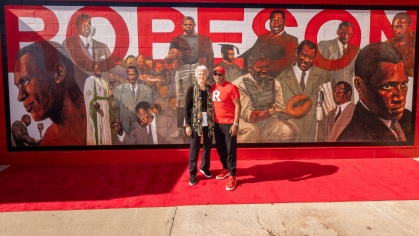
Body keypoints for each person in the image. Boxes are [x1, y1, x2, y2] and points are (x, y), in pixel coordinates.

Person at [14, 41, 87, 146]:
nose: (20, 96)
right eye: (18, 87)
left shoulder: (102, 114)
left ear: (59, 73)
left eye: (25, 81)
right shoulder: (47, 144)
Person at [337, 42, 411, 142]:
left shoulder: (408, 118)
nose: (400, 97)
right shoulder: (353, 138)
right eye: (387, 86)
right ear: (359, 85)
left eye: (403, 85)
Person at [165, 16, 214, 140]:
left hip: (199, 67)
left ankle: (204, 125)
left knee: (202, 95)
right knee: (181, 98)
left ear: (194, 24)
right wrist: (172, 57)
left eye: (190, 24)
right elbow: (169, 56)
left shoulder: (204, 39)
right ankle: (180, 128)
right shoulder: (176, 40)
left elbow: (210, 56)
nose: (188, 26)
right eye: (186, 25)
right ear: (182, 26)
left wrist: (208, 74)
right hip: (183, 68)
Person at [232, 53, 298, 143]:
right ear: (250, 68)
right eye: (260, 67)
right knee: (251, 130)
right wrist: (271, 112)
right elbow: (249, 116)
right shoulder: (238, 85)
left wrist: (291, 112)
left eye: (266, 67)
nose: (264, 70)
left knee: (290, 129)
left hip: (264, 120)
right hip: (240, 121)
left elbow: (279, 109)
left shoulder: (274, 83)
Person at [277, 40, 334, 142]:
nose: (306, 60)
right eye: (303, 55)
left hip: (315, 137)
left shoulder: (325, 76)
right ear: (296, 53)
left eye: (311, 57)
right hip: (290, 138)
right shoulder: (280, 79)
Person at [239, 10, 298, 78]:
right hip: (252, 72)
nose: (276, 24)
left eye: (279, 21)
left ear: (284, 22)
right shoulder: (263, 37)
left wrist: (261, 64)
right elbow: (250, 52)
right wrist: (233, 61)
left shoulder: (291, 40)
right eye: (273, 21)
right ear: (270, 23)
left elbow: (287, 63)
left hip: (270, 76)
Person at [211, 66, 241, 191]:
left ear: (224, 75)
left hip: (229, 124)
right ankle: (226, 168)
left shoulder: (231, 87)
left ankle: (233, 175)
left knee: (230, 150)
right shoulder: (212, 88)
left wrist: (235, 123)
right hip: (217, 124)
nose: (217, 76)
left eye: (220, 74)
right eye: (215, 74)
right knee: (220, 148)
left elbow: (238, 105)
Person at [62, 13, 112, 89]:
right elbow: (65, 66)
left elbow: (113, 65)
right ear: (77, 27)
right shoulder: (68, 44)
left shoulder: (102, 46)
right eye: (84, 25)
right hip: (79, 88)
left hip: (100, 88)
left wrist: (126, 73)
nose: (87, 28)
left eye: (89, 25)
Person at [185, 65, 214, 185]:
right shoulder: (191, 88)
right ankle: (192, 173)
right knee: (194, 147)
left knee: (207, 145)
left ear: (207, 76)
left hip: (209, 121)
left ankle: (205, 168)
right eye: (200, 74)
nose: (202, 76)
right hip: (195, 121)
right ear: (196, 76)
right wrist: (187, 125)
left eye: (204, 74)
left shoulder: (209, 88)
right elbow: (186, 107)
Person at [318, 22, 360, 87]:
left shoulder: (357, 51)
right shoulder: (324, 45)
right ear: (338, 32)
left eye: (349, 34)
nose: (346, 37)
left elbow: (356, 71)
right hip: (328, 89)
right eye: (343, 33)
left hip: (347, 90)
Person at [112, 101, 177, 145]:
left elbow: (176, 141)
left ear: (150, 111)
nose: (140, 118)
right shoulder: (137, 125)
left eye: (142, 115)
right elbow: (130, 142)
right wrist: (120, 131)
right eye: (138, 116)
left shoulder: (166, 121)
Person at [113, 66, 153, 134]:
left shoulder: (147, 90)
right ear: (127, 75)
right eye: (129, 74)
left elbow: (149, 110)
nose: (131, 77)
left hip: (142, 128)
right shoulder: (118, 90)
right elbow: (116, 111)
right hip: (125, 128)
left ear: (137, 75)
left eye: (133, 74)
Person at [84, 62, 112, 145]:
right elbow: (88, 94)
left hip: (105, 108)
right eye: (97, 69)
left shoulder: (105, 81)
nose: (99, 70)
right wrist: (94, 102)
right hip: (96, 108)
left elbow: (108, 95)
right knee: (97, 129)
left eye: (100, 68)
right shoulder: (89, 80)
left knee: (106, 129)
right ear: (93, 70)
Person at [385, 12, 416, 77]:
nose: (398, 30)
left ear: (409, 25)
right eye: (396, 27)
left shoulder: (415, 40)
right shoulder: (387, 45)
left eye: (402, 27)